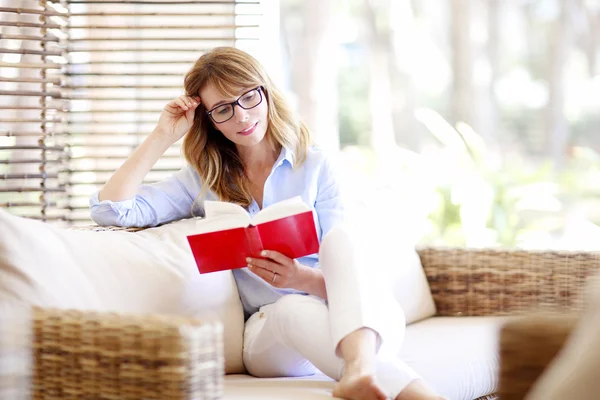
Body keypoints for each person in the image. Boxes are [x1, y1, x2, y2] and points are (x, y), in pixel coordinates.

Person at [90, 47, 445, 400]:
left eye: (248, 98)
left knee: (341, 244)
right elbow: (113, 209)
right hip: (272, 337)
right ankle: (364, 370)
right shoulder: (203, 179)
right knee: (292, 308)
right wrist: (162, 137)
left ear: (265, 91)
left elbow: (352, 281)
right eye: (224, 110)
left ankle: (360, 369)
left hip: (352, 321)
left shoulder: (316, 165)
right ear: (209, 119)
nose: (242, 117)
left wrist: (300, 278)